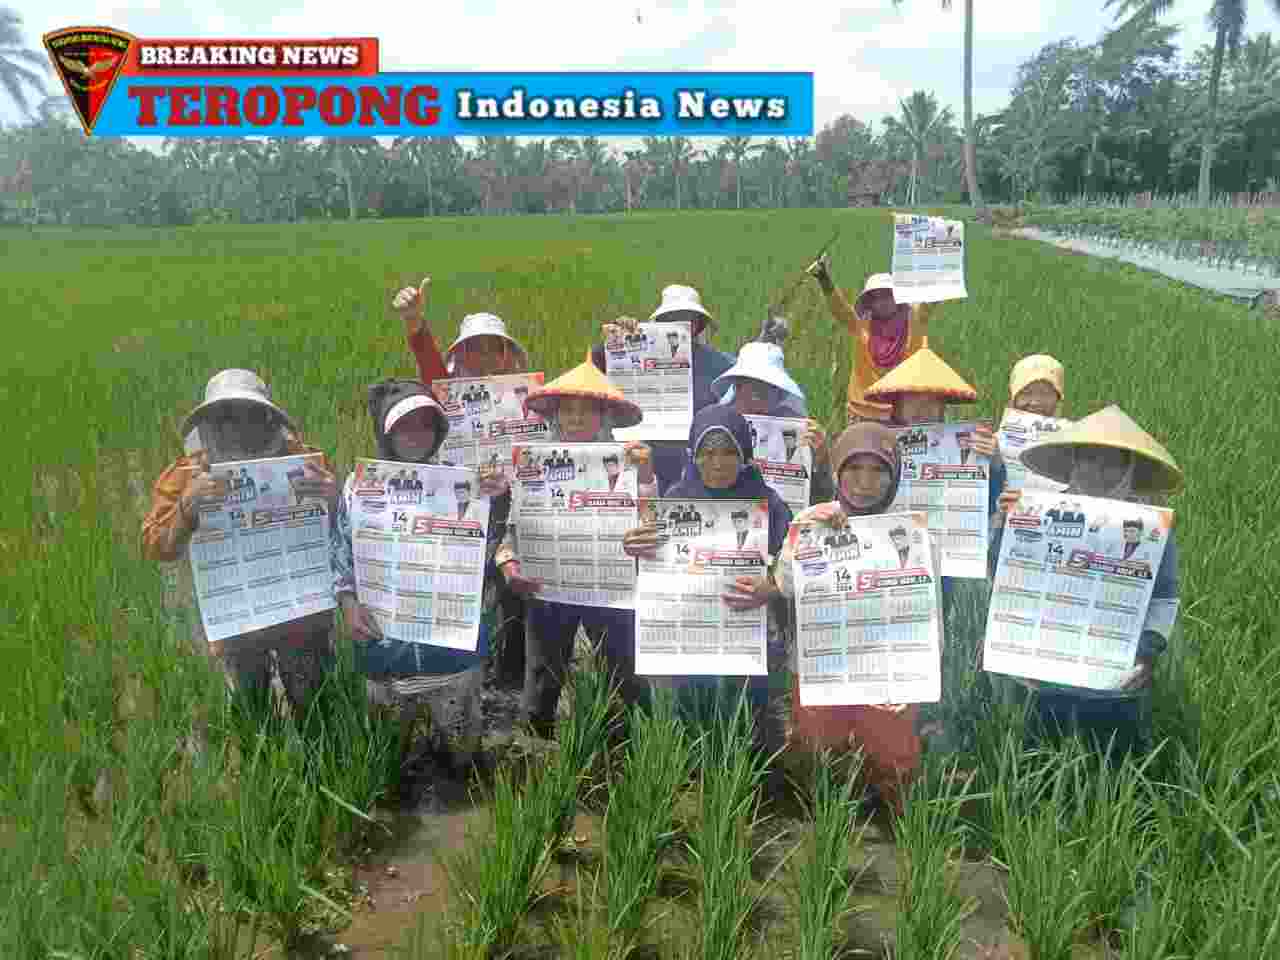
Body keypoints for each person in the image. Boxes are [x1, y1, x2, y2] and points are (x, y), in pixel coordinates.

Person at [331, 379, 508, 779]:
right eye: (404, 426)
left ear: (439, 431)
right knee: (388, 763)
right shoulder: (359, 486)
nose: (416, 434)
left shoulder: (464, 484)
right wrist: (348, 603)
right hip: (384, 645)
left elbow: (485, 555)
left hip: (451, 650)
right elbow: (341, 550)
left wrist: (496, 502)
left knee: (462, 763)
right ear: (386, 432)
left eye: (425, 424)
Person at [141, 369, 339, 723]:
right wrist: (186, 507)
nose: (238, 425)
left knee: (315, 706)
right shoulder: (186, 474)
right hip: (235, 616)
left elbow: (348, 528)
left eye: (249, 414)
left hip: (300, 614)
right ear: (210, 421)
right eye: (226, 415)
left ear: (267, 417)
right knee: (250, 713)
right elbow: (156, 547)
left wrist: (334, 499)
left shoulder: (304, 461)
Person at [991, 405, 1182, 759]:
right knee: (1040, 756)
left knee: (1117, 759)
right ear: (1074, 461)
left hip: (1116, 669)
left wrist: (1148, 652)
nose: (1100, 471)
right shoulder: (1040, 510)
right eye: (1090, 459)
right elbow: (1006, 574)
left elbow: (1165, 596)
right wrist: (1006, 527)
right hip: (1046, 665)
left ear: (1130, 468)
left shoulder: (1151, 528)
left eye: (1113, 463)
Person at [494, 354, 659, 737]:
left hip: (611, 584)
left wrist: (647, 474)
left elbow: (651, 519)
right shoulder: (532, 463)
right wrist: (508, 562)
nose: (577, 419)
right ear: (555, 416)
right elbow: (513, 526)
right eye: (568, 411)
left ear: (605, 417)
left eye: (587, 411)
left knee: (624, 667)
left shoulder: (632, 460)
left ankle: (642, 743)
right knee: (543, 671)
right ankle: (534, 746)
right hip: (550, 585)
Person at [771, 421, 925, 815]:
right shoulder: (813, 518)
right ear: (837, 471)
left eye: (878, 471)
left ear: (894, 477)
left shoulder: (909, 529)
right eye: (854, 468)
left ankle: (894, 815)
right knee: (819, 743)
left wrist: (920, 664)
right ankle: (821, 814)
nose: (865, 483)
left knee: (890, 748)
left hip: (885, 662)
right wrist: (809, 536)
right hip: (822, 659)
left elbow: (925, 604)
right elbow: (785, 584)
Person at [621, 406, 793, 743]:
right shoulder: (676, 499)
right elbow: (656, 567)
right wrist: (637, 546)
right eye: (707, 453)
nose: (717, 463)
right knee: (691, 714)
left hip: (749, 635)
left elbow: (791, 562)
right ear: (693, 456)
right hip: (690, 634)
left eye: (729, 452)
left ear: (745, 456)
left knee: (747, 720)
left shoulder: (769, 505)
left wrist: (771, 586)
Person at [394, 277, 530, 683]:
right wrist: (415, 323)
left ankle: (510, 672)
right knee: (465, 583)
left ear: (506, 354)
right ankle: (469, 667)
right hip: (461, 504)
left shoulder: (527, 397)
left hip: (511, 505)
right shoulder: (448, 393)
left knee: (511, 586)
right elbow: (430, 366)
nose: (484, 355)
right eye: (474, 347)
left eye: (493, 347)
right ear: (461, 354)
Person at [862, 347, 1007, 606]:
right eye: (913, 400)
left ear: (942, 407)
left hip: (941, 564)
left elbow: (982, 508)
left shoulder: (965, 445)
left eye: (931, 402)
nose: (922, 409)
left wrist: (993, 463)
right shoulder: (871, 442)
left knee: (939, 621)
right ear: (897, 403)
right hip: (880, 557)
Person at [592, 285, 735, 494]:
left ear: (698, 324)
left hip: (695, 463)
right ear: (659, 323)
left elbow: (740, 397)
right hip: (646, 459)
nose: (680, 323)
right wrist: (616, 339)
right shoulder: (636, 350)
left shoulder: (720, 363)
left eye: (688, 318)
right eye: (672, 317)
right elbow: (594, 368)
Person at [806, 254, 934, 424]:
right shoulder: (862, 326)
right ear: (870, 302)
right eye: (876, 297)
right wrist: (824, 280)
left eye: (887, 295)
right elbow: (840, 310)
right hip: (862, 411)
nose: (883, 302)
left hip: (902, 412)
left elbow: (931, 300)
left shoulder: (914, 321)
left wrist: (939, 267)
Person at [710, 340, 834, 506]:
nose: (761, 402)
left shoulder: (797, 431)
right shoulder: (713, 427)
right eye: (754, 392)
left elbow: (821, 499)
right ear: (737, 387)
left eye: (770, 392)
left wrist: (820, 461)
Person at [971, 354, 1066, 522]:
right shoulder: (989, 444)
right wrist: (995, 465)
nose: (1035, 402)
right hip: (1004, 532)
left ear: (1058, 398)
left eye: (1045, 393)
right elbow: (974, 505)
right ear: (1013, 398)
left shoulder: (1076, 448)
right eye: (1026, 393)